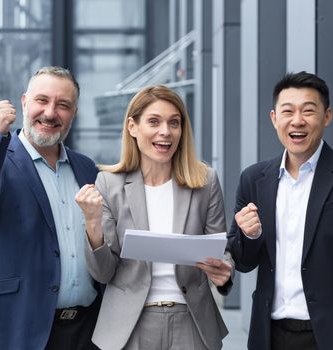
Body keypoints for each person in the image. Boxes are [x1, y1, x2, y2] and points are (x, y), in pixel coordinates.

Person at [228, 71, 333, 350]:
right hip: (271, 334)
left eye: (309, 111)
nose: (297, 121)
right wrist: (249, 235)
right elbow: (241, 262)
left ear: (326, 117)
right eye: (287, 111)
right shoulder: (254, 179)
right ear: (274, 118)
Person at [0, 66, 103, 350]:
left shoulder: (87, 168)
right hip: (16, 329)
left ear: (74, 113)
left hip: (85, 332)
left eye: (63, 105)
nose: (50, 113)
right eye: (42, 100)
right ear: (24, 102)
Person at [74, 85, 233, 350]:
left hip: (191, 322)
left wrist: (224, 273)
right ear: (132, 127)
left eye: (174, 123)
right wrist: (92, 223)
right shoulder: (109, 183)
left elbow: (222, 252)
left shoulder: (205, 182)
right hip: (129, 325)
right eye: (154, 122)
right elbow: (103, 273)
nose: (165, 132)